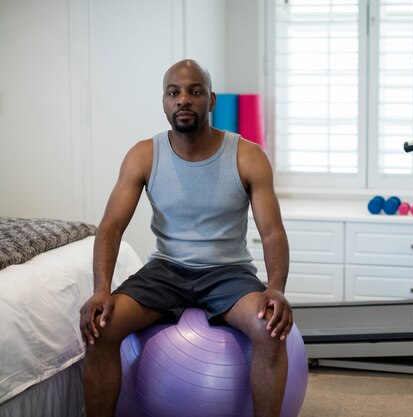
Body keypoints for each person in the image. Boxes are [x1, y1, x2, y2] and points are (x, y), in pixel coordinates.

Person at [79, 59, 292, 417]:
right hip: (166, 270)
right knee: (100, 329)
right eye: (173, 92)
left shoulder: (247, 156)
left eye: (195, 91)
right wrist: (101, 290)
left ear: (211, 101)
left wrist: (276, 288)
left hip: (228, 273)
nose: (183, 100)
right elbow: (111, 226)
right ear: (164, 101)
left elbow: (272, 232)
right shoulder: (144, 155)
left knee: (269, 330)